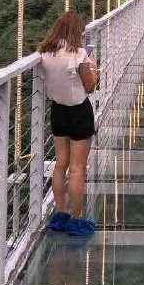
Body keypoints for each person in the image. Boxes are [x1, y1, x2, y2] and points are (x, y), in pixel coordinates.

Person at [38, 12, 99, 237]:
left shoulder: (45, 54)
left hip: (58, 111)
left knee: (61, 164)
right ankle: (76, 219)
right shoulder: (79, 55)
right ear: (76, 31)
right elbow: (90, 85)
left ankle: (61, 213)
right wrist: (92, 67)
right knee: (77, 168)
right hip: (79, 113)